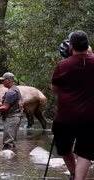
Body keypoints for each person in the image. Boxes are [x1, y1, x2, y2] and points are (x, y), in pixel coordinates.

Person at [51, 30, 94, 180]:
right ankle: (79, 178)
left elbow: (54, 90)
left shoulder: (63, 65)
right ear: (87, 45)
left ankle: (74, 174)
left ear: (70, 46)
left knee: (63, 148)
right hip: (90, 118)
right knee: (85, 151)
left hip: (65, 117)